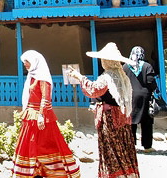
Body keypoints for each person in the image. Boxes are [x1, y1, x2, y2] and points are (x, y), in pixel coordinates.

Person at [68, 42, 140, 178]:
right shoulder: (123, 77)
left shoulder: (107, 77)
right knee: (124, 147)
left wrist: (79, 77)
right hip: (123, 118)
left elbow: (93, 90)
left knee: (112, 150)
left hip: (111, 120)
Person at [12, 50, 80, 178]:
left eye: (27, 61)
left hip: (41, 117)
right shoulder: (31, 77)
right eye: (24, 62)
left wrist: (42, 115)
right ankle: (34, 171)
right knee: (31, 145)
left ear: (34, 62)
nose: (25, 64)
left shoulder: (43, 78)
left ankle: (53, 171)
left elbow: (46, 97)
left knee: (46, 145)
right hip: (31, 116)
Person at [122, 46, 157, 152]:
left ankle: (130, 146)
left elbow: (122, 82)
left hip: (130, 97)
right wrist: (153, 89)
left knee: (131, 121)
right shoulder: (147, 66)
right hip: (144, 98)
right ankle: (147, 146)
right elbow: (151, 82)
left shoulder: (126, 67)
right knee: (146, 122)